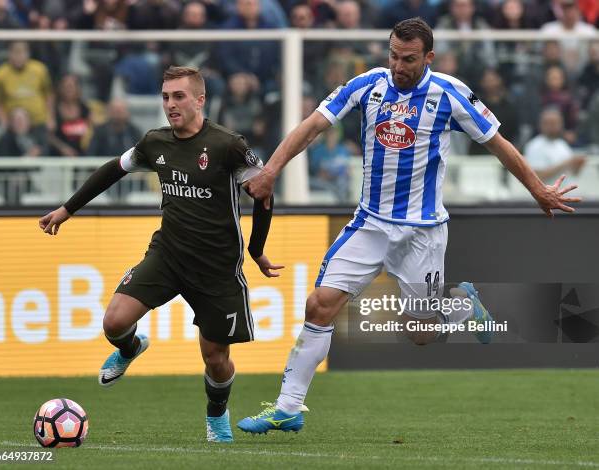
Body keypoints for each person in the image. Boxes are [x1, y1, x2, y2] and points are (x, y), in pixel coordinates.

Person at [237, 17, 581, 434]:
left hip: (422, 232)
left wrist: (538, 190)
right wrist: (271, 170)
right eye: (394, 56)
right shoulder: (368, 84)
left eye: (409, 59)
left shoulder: (449, 94)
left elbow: (497, 143)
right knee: (319, 305)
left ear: (429, 57)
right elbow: (312, 126)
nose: (399, 66)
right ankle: (288, 407)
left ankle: (461, 306)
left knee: (419, 334)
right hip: (369, 224)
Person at [38, 66, 283, 443]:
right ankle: (131, 348)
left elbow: (263, 193)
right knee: (113, 322)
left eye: (179, 96)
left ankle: (217, 417)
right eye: (166, 97)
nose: (170, 104)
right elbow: (112, 170)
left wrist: (256, 249)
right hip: (167, 255)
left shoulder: (227, 145)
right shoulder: (155, 142)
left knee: (216, 359)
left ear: (200, 100)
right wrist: (67, 209)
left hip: (217, 269)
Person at [524, 107, 586, 184]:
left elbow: (572, 174)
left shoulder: (562, 144)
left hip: (567, 194)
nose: (552, 126)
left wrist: (578, 165)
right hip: (548, 195)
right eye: (548, 123)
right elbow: (537, 177)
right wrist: (567, 163)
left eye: (555, 123)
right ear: (541, 124)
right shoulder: (534, 146)